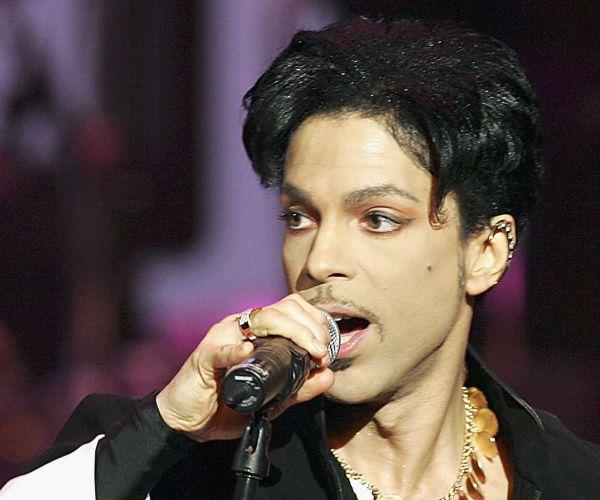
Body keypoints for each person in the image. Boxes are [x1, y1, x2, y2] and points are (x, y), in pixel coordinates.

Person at [2, 16, 599, 500]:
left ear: (486, 252)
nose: (320, 259)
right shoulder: (177, 456)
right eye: (299, 217)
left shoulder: (570, 478)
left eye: (378, 219)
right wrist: (165, 429)